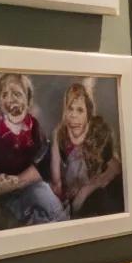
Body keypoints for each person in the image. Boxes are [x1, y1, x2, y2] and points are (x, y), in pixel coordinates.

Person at [0, 73, 66, 226]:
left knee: (45, 198)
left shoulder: (33, 126)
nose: (10, 100)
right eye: (4, 95)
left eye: (17, 94)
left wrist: (13, 184)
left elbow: (42, 166)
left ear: (28, 102)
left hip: (28, 187)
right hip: (5, 195)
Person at [50, 82, 123, 219]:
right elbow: (57, 183)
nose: (73, 115)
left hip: (97, 195)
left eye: (79, 110)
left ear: (88, 112)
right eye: (70, 109)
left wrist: (86, 189)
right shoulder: (59, 134)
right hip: (69, 202)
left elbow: (115, 167)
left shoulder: (98, 132)